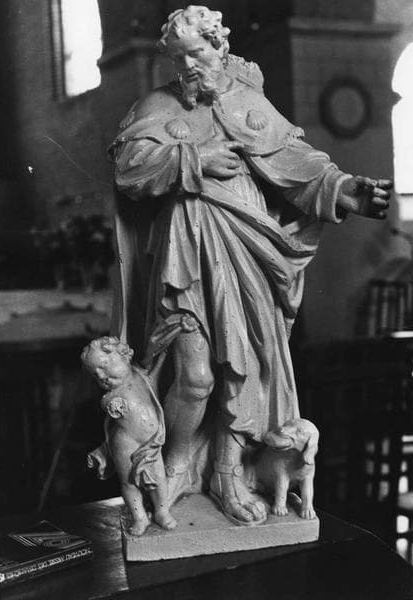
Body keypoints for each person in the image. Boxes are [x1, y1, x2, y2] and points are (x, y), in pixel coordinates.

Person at [108, 6, 392, 525]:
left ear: (219, 45)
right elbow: (129, 171)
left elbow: (296, 164)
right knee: (195, 376)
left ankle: (227, 472)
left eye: (197, 52)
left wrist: (343, 188)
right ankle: (176, 465)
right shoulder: (156, 105)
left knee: (248, 367)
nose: (189, 66)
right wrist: (193, 161)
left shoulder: (248, 101)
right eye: (179, 58)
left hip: (248, 247)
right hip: (187, 250)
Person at [82, 336, 177, 535]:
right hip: (125, 444)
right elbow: (111, 411)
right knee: (128, 482)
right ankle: (139, 517)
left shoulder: (141, 376)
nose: (101, 376)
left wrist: (165, 350)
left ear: (124, 356)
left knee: (159, 477)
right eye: (95, 374)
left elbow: (157, 364)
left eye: (104, 366)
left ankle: (162, 511)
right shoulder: (110, 398)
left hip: (151, 443)